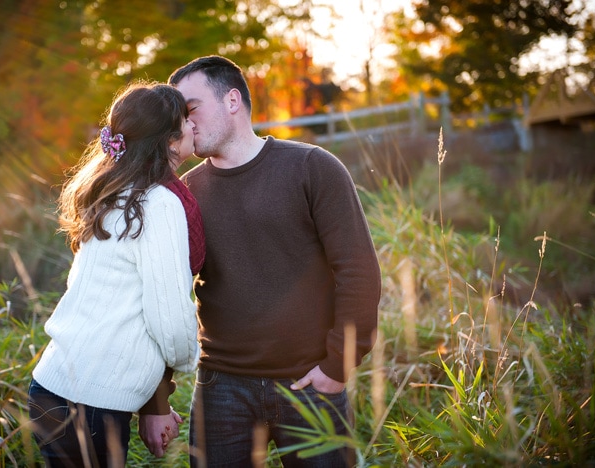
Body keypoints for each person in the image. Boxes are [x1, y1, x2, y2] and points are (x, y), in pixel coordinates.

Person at [167, 55, 381, 467]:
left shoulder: (312, 167)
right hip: (221, 388)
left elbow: (358, 273)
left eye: (191, 108)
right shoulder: (183, 193)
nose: (184, 123)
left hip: (311, 383)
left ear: (232, 100)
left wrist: (338, 366)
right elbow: (168, 292)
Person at [28, 82, 203, 466]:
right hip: (91, 404)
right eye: (187, 120)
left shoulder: (115, 192)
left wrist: (154, 399)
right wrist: (190, 358)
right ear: (171, 142)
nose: (194, 127)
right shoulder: (157, 203)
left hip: (51, 386)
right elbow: (170, 315)